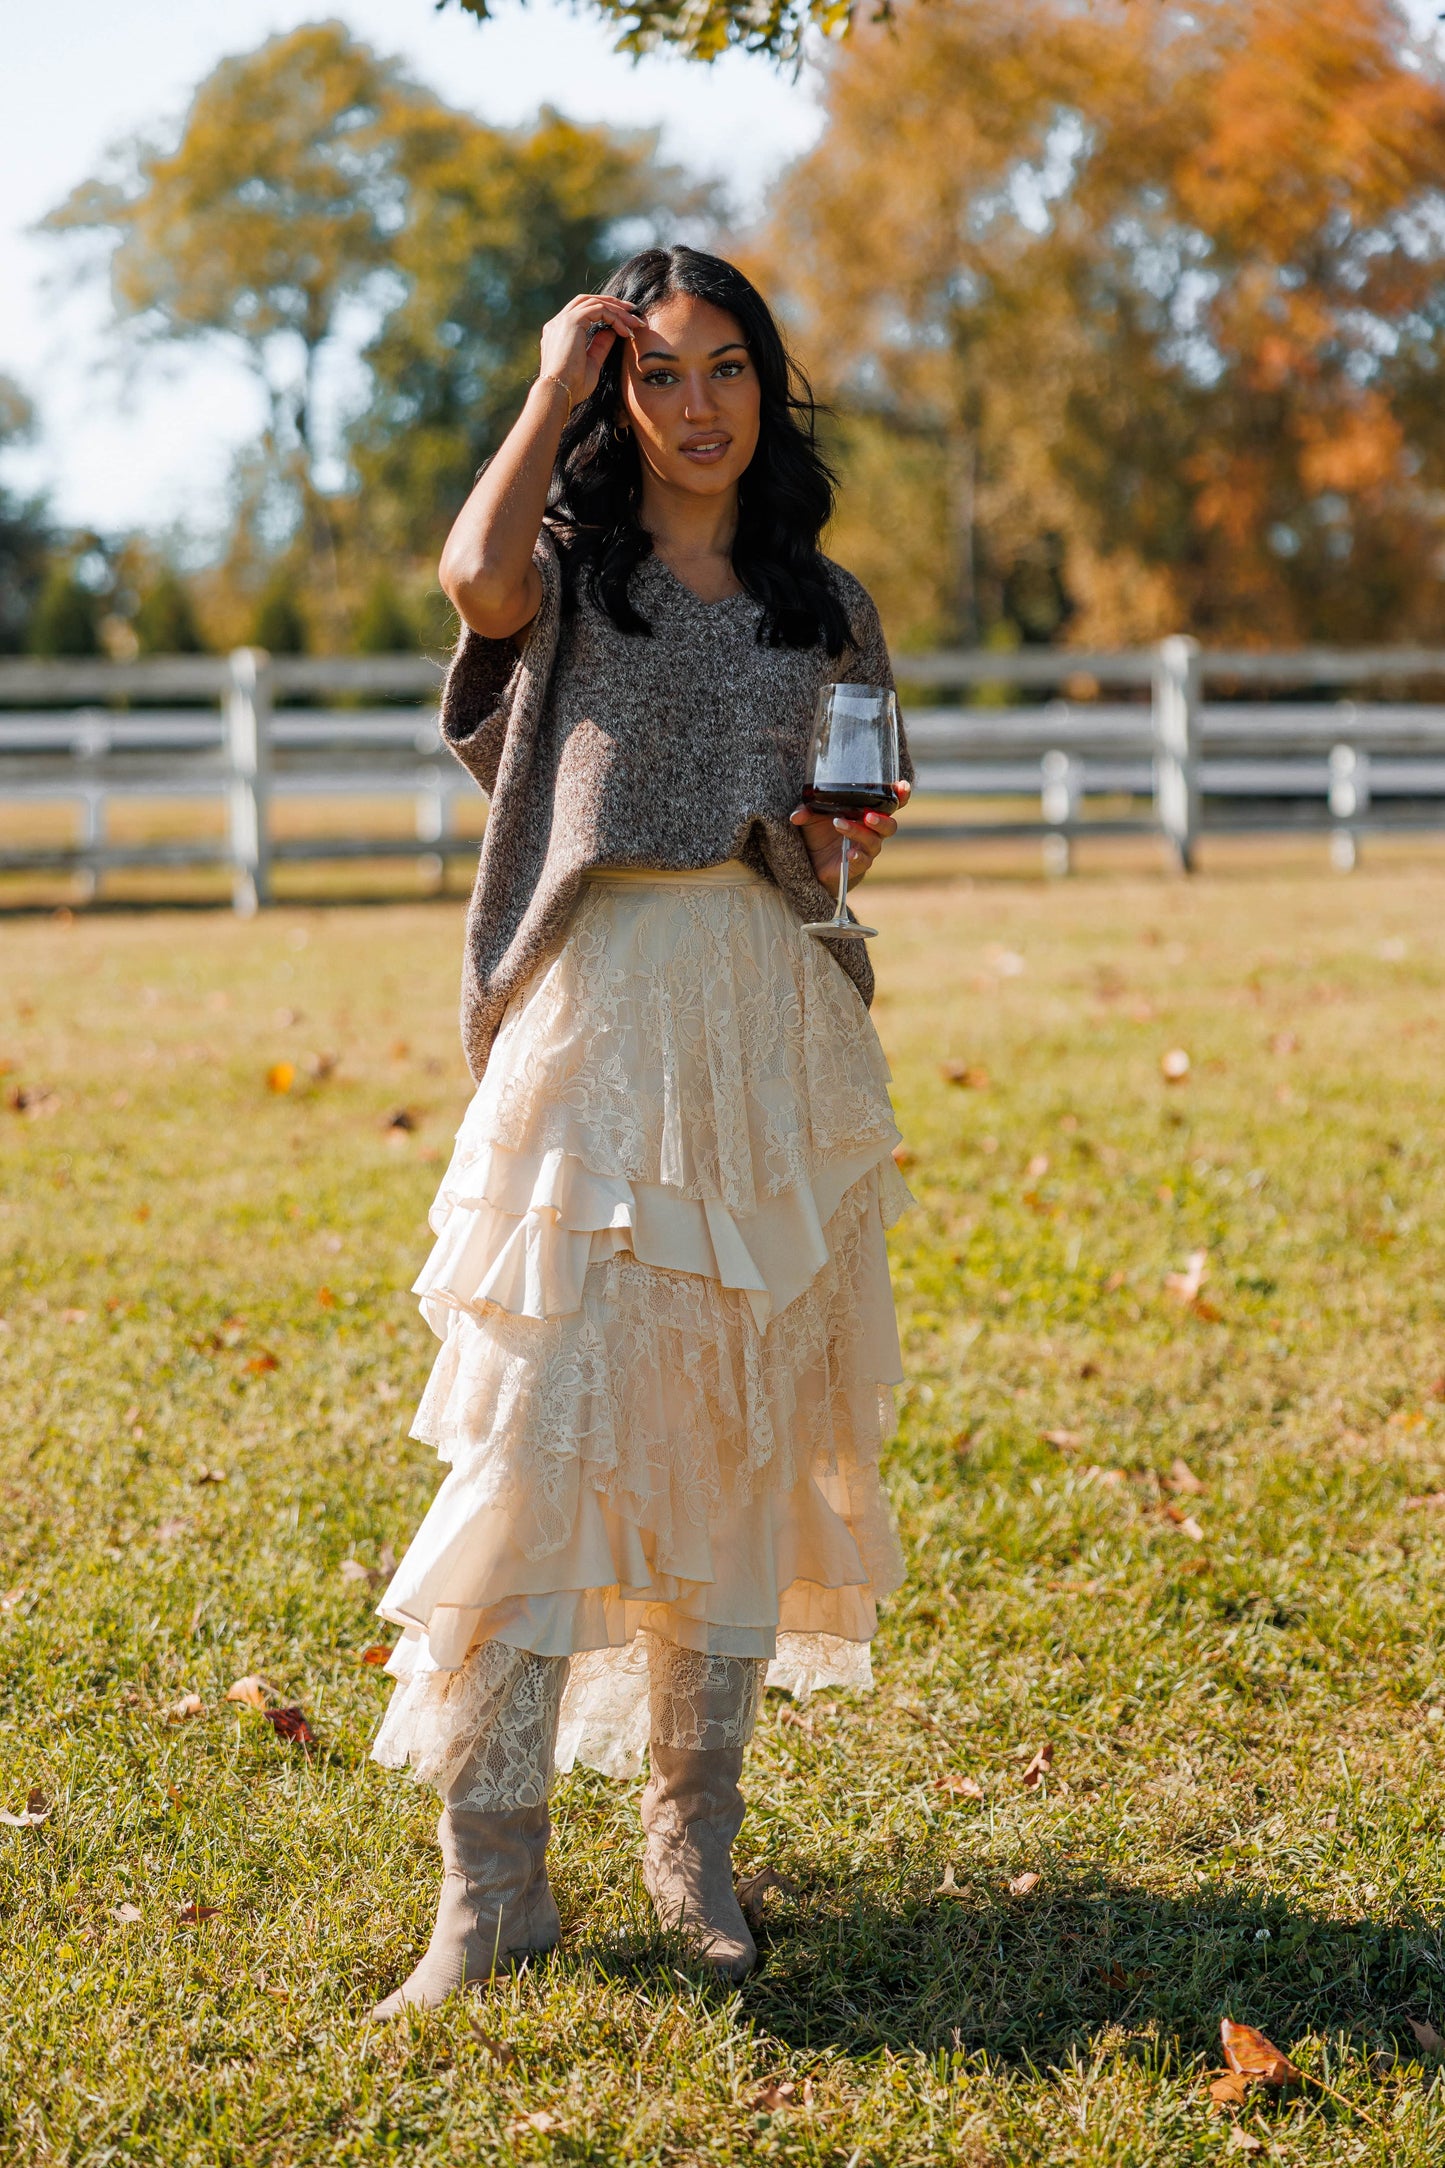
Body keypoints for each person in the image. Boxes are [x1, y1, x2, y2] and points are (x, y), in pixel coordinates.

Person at [368, 245, 913, 2017]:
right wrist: (543, 380)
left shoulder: (817, 599)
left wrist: (850, 845)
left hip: (765, 1019)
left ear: (771, 384)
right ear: (616, 399)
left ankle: (695, 1838)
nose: (694, 406)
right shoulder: (575, 579)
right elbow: (468, 578)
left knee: (734, 1436)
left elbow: (848, 800)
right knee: (542, 1435)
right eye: (655, 374)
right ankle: (492, 1882)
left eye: (725, 367)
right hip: (596, 1024)